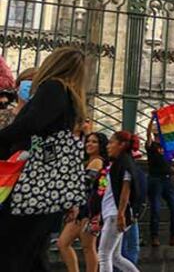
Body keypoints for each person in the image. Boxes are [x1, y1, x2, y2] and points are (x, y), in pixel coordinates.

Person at [0, 48, 87, 272]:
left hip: (32, 184)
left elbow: (29, 126)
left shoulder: (54, 88)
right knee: (31, 252)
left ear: (53, 63)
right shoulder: (71, 97)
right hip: (47, 185)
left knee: (14, 248)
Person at [57, 130, 108, 272]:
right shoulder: (90, 161)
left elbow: (85, 187)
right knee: (85, 247)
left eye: (94, 142)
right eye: (88, 141)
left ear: (101, 145)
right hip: (85, 209)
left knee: (68, 244)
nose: (89, 144)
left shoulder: (97, 162)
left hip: (85, 210)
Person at [98, 130, 141, 272]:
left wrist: (120, 213)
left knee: (104, 255)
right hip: (112, 212)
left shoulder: (124, 163)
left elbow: (125, 189)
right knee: (115, 257)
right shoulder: (118, 163)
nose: (108, 146)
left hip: (114, 213)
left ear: (121, 145)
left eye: (111, 143)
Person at [144, 115, 174, 248]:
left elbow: (167, 165)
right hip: (155, 179)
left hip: (166, 179)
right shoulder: (152, 146)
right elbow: (148, 133)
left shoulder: (167, 148)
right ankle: (154, 236)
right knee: (156, 208)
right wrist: (152, 119)